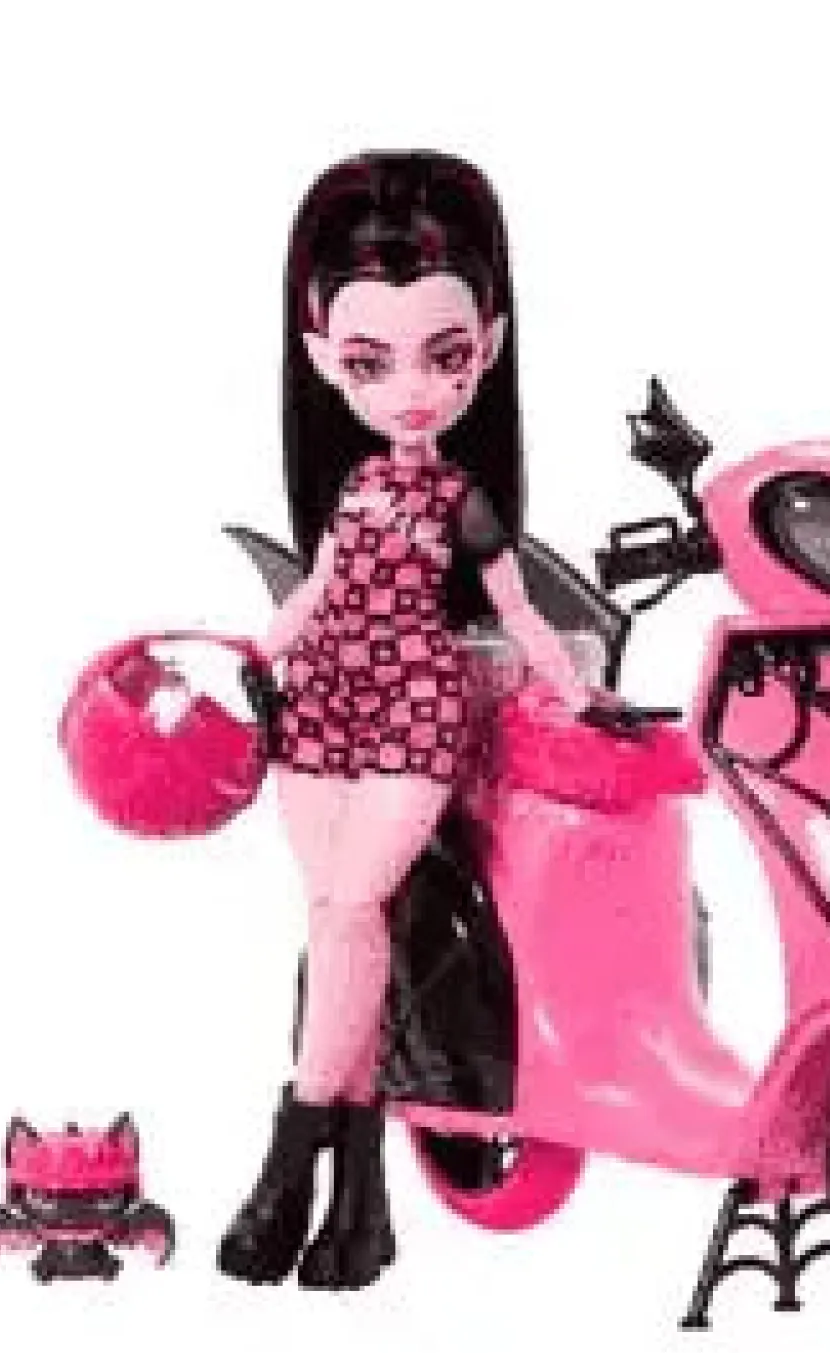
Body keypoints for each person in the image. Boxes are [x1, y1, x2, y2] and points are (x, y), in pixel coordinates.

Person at [217, 152, 592, 1290]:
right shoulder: (353, 489)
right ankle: (358, 1202)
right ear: (322, 356)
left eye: (446, 354)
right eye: (371, 363)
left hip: (416, 704)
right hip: (324, 694)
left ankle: (289, 1161)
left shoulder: (462, 501)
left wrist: (573, 688)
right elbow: (318, 592)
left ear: (491, 342)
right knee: (341, 922)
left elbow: (517, 610)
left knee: (348, 909)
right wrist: (247, 656)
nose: (412, 391)